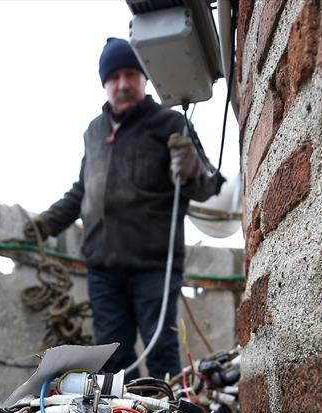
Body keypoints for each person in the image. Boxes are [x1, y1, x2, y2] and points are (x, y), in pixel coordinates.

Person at [24, 37, 223, 379]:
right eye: (114, 77)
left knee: (161, 350)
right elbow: (83, 190)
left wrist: (189, 166)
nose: (123, 84)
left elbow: (207, 187)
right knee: (112, 358)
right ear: (105, 84)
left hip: (154, 265)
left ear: (145, 79)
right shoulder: (94, 131)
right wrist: (47, 224)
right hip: (103, 268)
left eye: (131, 74)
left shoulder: (170, 124)